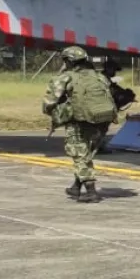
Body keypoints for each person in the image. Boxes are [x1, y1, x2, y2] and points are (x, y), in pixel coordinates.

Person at [41, 46, 119, 203]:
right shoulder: (99, 77)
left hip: (78, 122)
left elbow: (48, 103)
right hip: (101, 121)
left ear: (69, 61)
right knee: (86, 154)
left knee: (79, 155)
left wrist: (56, 112)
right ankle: (76, 187)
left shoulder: (65, 78)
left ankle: (91, 192)